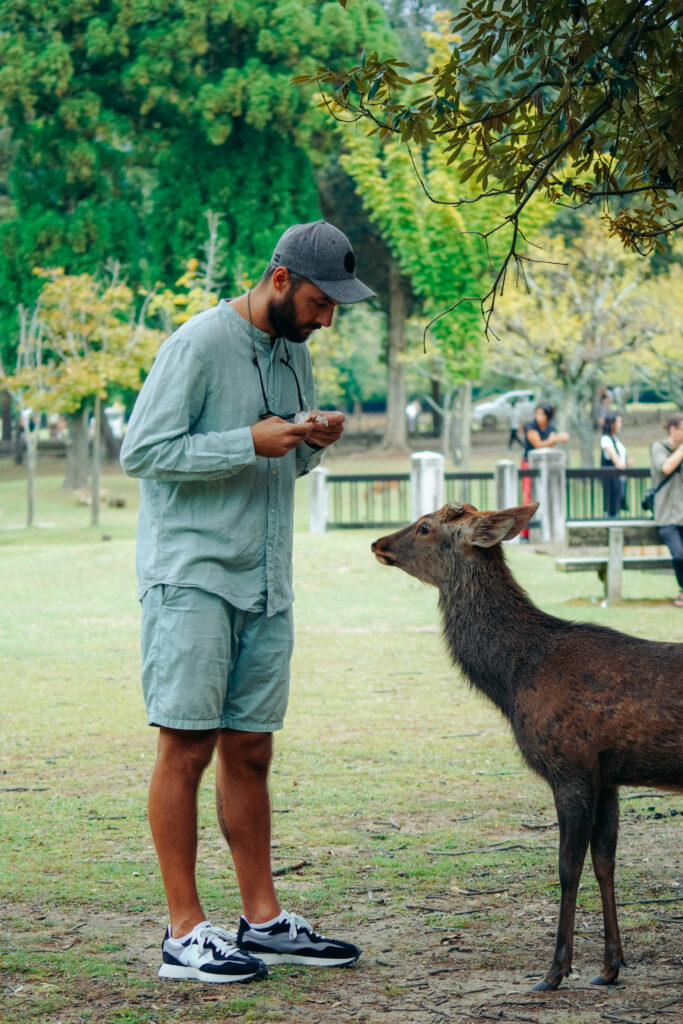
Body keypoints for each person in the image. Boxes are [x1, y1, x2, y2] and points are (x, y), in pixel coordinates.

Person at [120, 221, 375, 984]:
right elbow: (142, 451)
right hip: (194, 577)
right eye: (320, 302)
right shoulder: (197, 344)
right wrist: (247, 442)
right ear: (278, 279)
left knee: (252, 750)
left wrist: (307, 441)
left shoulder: (292, 352)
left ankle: (261, 922)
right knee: (187, 746)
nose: (327, 318)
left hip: (267, 580)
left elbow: (276, 457)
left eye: (335, 308)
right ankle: (183, 933)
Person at [520, 403, 570, 539]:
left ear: (548, 416)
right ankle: (525, 531)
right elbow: (538, 444)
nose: (538, 416)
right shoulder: (530, 426)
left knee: (545, 496)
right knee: (528, 496)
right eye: (537, 413)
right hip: (529, 464)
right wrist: (555, 438)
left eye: (542, 414)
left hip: (546, 466)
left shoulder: (550, 427)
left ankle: (544, 526)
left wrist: (554, 438)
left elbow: (556, 440)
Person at [649, 412, 683, 608]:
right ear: (673, 429)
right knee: (679, 555)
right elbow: (666, 468)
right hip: (666, 516)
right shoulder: (658, 448)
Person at [600, 413, 633, 518]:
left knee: (618, 504)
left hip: (620, 479)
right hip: (612, 479)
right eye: (619, 421)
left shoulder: (615, 438)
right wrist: (621, 464)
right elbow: (616, 460)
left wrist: (626, 463)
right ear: (612, 424)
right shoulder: (606, 439)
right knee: (612, 506)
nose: (620, 424)